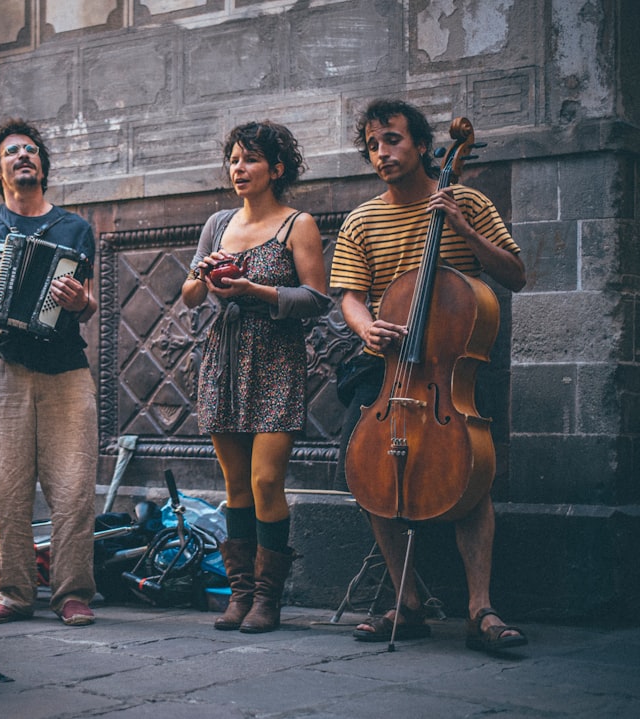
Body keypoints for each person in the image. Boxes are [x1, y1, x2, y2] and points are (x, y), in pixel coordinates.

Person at [330, 98, 528, 652]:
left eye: (392, 140)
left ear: (421, 145)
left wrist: (462, 226)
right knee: (374, 478)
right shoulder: (362, 220)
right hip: (389, 369)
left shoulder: (465, 199)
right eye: (372, 145)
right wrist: (365, 327)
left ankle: (480, 609)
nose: (382, 153)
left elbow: (515, 273)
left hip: (451, 367)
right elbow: (349, 292)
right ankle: (407, 603)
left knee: (472, 478)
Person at [0, 119, 99, 627]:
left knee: (74, 486)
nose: (23, 156)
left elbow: (88, 299)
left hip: (65, 369)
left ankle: (72, 592)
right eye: (13, 152)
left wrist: (82, 301)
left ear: (42, 166)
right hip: (0, 366)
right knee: (6, 486)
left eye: (31, 151)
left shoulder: (74, 229)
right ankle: (13, 593)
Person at [182, 121, 330, 633]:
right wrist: (204, 277)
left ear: (277, 169)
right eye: (234, 160)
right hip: (222, 357)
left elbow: (317, 298)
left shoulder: (297, 224)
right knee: (234, 482)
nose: (238, 169)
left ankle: (268, 599)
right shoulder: (218, 222)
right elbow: (189, 295)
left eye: (249, 160)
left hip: (275, 358)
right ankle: (239, 595)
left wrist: (254, 289)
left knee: (267, 479)